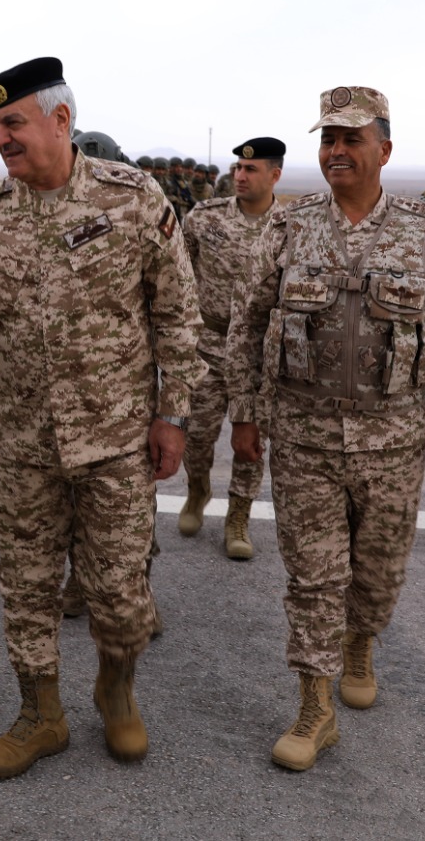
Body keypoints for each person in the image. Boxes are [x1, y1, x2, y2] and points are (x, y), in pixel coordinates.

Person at [0, 57, 203, 779]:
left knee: (121, 594)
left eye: (13, 122)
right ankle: (41, 714)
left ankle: (116, 690)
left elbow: (177, 312)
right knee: (27, 587)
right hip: (28, 445)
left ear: (60, 120)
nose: (0, 138)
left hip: (117, 442)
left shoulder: (132, 198)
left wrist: (174, 414)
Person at [226, 86, 425, 772]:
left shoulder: (424, 231)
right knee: (313, 578)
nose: (337, 151)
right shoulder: (289, 228)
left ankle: (360, 641)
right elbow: (246, 325)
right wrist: (245, 413)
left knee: (377, 573)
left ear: (385, 149)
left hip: (393, 438)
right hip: (304, 435)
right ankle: (314, 708)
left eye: (351, 139)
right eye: (328, 139)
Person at [177, 137, 285, 559]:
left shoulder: (290, 227)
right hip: (207, 345)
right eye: (237, 167)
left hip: (258, 354)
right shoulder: (204, 218)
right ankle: (197, 490)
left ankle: (238, 515)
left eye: (250, 169)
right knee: (196, 435)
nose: (240, 175)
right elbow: (179, 275)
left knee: (251, 442)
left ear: (274, 175)